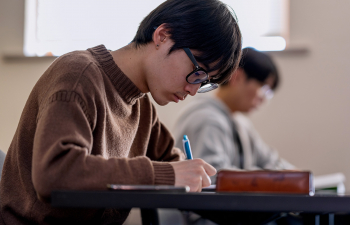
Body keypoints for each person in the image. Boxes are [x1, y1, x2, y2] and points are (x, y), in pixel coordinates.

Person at [0, 0, 242, 224]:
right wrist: (166, 175)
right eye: (197, 71)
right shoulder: (79, 75)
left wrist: (198, 177)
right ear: (163, 36)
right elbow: (55, 173)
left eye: (204, 82)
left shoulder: (141, 105)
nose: (193, 89)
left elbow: (173, 162)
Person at [173, 47, 295, 185]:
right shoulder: (206, 119)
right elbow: (214, 177)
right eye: (263, 88)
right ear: (237, 77)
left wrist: (298, 176)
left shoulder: (240, 123)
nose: (264, 99)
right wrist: (268, 177)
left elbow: (270, 161)